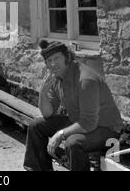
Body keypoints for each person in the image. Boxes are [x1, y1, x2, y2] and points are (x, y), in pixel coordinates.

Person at [24, 40, 124, 171]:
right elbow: (48, 113)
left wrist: (60, 134)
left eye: (56, 58)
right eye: (49, 60)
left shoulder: (86, 80)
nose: (53, 64)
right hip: (80, 122)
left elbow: (89, 123)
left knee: (73, 142)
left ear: (67, 57)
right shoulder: (55, 77)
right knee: (36, 126)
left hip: (107, 130)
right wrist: (43, 92)